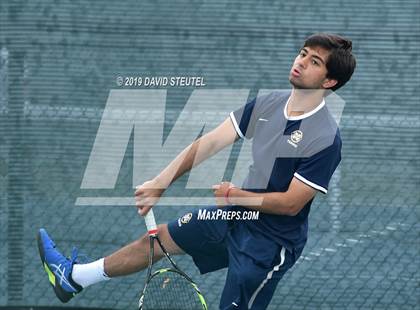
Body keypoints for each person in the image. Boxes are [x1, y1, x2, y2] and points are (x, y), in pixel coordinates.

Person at [37, 33, 356, 309]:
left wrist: (235, 195)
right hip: (234, 219)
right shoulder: (269, 104)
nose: (301, 62)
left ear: (329, 82)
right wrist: (161, 181)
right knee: (158, 239)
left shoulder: (325, 137)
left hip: (271, 245)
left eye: (314, 61)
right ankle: (73, 278)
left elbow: (291, 203)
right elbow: (211, 141)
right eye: (302, 53)